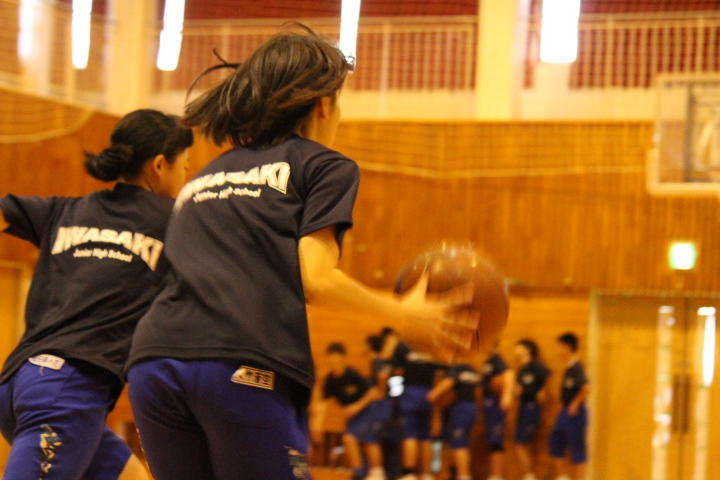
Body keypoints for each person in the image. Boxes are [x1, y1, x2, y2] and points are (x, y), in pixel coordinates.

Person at [125, 26, 474, 480]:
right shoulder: (323, 165)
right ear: (324, 104)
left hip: (153, 364)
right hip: (238, 363)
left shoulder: (203, 178)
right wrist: (402, 313)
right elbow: (318, 279)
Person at [0, 109, 193, 480]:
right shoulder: (177, 221)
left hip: (20, 385)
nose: (185, 177)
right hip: (67, 392)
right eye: (184, 166)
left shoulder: (66, 210)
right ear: (158, 166)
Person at [312, 342, 388, 480]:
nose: (334, 360)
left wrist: (356, 406)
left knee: (360, 439)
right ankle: (360, 473)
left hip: (368, 410)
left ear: (342, 357)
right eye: (331, 357)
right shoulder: (330, 380)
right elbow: (323, 404)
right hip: (353, 416)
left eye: (336, 357)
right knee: (352, 439)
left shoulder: (352, 374)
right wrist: (317, 425)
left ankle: (376, 473)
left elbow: (373, 392)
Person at [383, 331, 439, 480]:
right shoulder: (432, 345)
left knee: (410, 434)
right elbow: (439, 373)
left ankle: (409, 473)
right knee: (425, 436)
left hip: (410, 392)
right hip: (428, 393)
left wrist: (394, 395)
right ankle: (427, 474)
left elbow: (397, 372)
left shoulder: (403, 346)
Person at [427, 362, 481, 480]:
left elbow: (437, 392)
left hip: (460, 409)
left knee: (459, 445)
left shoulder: (456, 369)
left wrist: (431, 395)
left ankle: (463, 475)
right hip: (470, 408)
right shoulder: (471, 369)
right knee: (461, 445)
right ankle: (456, 474)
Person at [549, 333, 590, 480]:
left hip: (576, 413)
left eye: (560, 347)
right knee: (555, 442)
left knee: (577, 449)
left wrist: (575, 403)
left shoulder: (577, 367)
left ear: (567, 347)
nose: (558, 350)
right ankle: (562, 477)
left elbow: (586, 388)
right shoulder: (569, 368)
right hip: (565, 412)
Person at [513, 339, 551, 480]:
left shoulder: (535, 365)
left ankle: (529, 475)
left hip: (532, 407)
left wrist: (543, 390)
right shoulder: (521, 368)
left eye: (519, 347)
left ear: (527, 349)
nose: (516, 350)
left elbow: (547, 375)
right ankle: (528, 474)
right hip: (523, 406)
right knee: (523, 443)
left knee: (521, 443)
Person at [480, 348, 514, 480]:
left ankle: (497, 475)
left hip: (495, 404)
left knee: (496, 440)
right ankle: (494, 474)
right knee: (491, 439)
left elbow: (509, 373)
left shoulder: (496, 359)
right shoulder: (488, 361)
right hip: (488, 404)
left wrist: (507, 394)